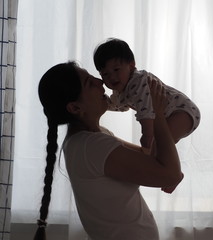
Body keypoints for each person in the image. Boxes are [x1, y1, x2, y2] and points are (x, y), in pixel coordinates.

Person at [34, 61, 183, 240]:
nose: (100, 82)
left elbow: (149, 156)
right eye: (90, 83)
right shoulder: (92, 146)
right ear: (75, 108)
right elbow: (170, 175)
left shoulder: (91, 140)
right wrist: (156, 115)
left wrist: (147, 108)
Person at [93, 38, 201, 152]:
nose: (111, 77)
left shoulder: (138, 81)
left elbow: (146, 113)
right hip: (168, 116)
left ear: (131, 65)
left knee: (155, 146)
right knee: (161, 152)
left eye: (116, 69)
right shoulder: (121, 89)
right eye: (105, 74)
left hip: (182, 112)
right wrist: (99, 102)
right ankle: (170, 169)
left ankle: (164, 167)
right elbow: (119, 105)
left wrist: (147, 136)